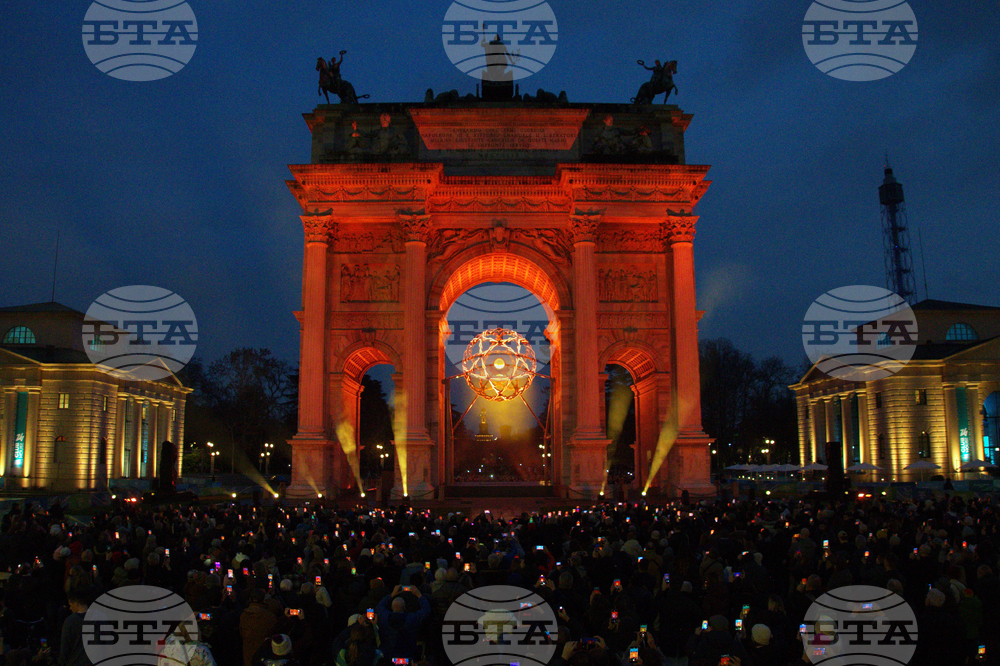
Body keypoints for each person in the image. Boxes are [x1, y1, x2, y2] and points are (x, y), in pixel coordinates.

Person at [374, 585, 430, 660]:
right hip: (408, 654)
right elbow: (426, 610)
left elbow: (379, 607)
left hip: (389, 654)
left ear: (392, 607)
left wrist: (392, 594)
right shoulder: (411, 619)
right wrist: (419, 595)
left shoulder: (385, 618)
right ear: (405, 608)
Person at [58, 589, 92, 666]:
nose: (70, 608)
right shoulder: (100, 617)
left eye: (70, 605)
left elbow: (65, 648)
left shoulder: (70, 621)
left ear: (76, 604)